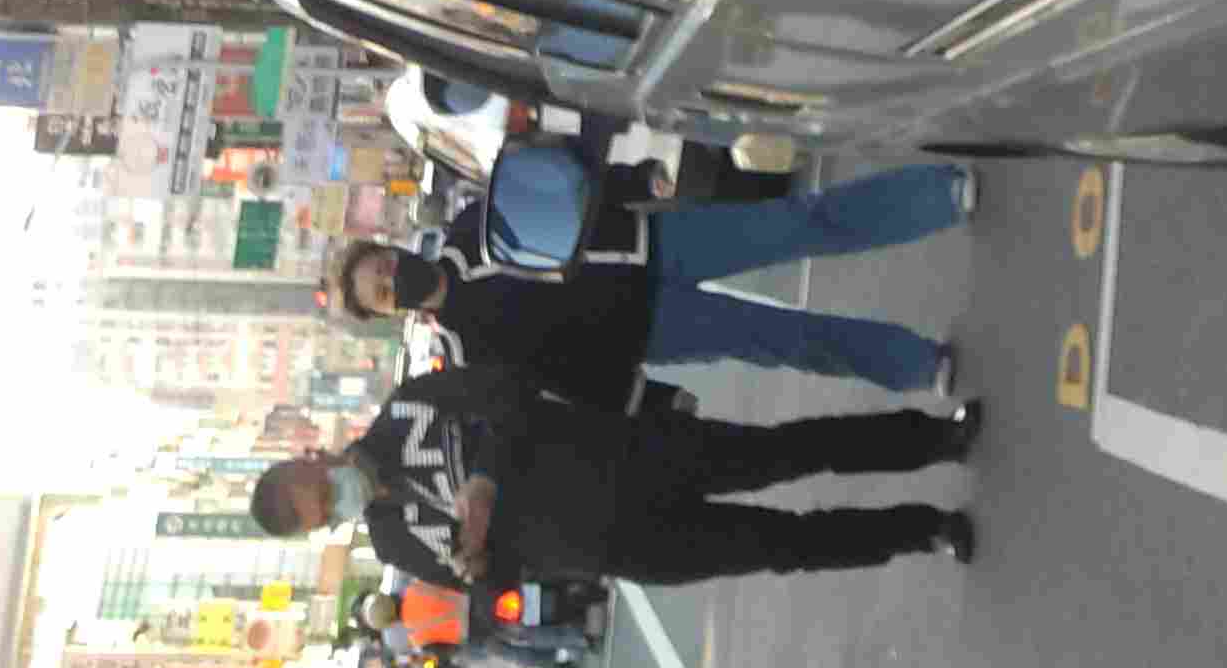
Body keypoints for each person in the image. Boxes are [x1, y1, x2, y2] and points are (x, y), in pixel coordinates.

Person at [254, 360, 978, 587]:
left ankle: (936, 439)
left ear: (313, 459)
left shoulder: (408, 406)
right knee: (780, 546)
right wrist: (479, 563)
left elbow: (509, 391)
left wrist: (485, 479)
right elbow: (494, 580)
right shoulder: (393, 541)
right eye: (329, 515)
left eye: (323, 491)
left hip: (631, 455)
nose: (339, 502)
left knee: (787, 453)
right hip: (621, 548)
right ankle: (925, 531)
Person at [342, 156, 972, 402]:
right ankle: (916, 364)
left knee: (796, 223)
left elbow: (566, 196)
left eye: (384, 265)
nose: (393, 278)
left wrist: (636, 180)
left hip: (654, 244)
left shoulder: (468, 228)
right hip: (651, 330)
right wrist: (648, 400)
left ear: (392, 249)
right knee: (788, 339)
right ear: (389, 313)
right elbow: (555, 377)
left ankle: (934, 197)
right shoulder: (464, 352)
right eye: (382, 292)